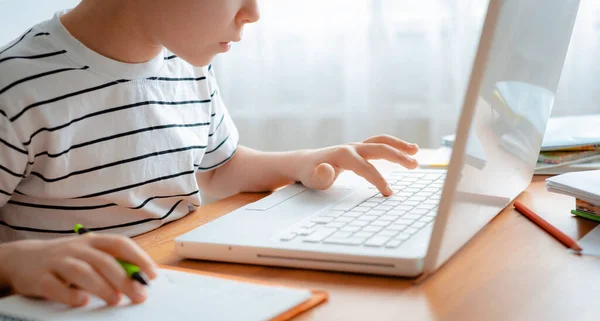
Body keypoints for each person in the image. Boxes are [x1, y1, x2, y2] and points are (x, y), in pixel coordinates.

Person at [0, 0, 419, 307]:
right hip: (76, 304)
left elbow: (219, 168)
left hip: (171, 286)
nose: (253, 12)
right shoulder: (16, 86)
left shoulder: (184, 64)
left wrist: (303, 162)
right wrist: (16, 263)